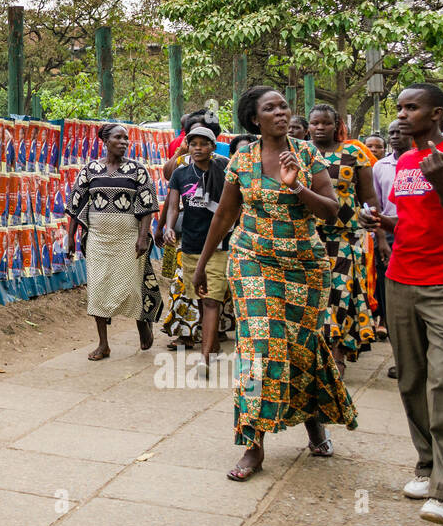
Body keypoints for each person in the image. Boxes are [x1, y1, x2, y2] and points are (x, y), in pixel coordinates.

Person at [192, 86, 357, 482]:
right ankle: (253, 445)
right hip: (253, 263)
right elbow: (225, 215)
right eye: (271, 108)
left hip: (305, 267)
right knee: (259, 348)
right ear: (255, 119)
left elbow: (332, 212)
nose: (281, 112)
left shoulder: (307, 154)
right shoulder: (242, 159)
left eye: (284, 106)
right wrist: (202, 264)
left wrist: (296, 186)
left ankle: (313, 422)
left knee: (302, 349)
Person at [360, 83, 443, 526]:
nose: (401, 115)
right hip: (400, 279)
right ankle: (426, 464)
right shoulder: (407, 161)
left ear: (437, 114)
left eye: (411, 107)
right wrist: (382, 220)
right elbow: (414, 219)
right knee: (411, 378)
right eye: (399, 107)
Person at [66, 123, 162, 362]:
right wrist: (70, 236)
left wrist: (142, 237)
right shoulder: (90, 170)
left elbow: (148, 204)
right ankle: (103, 344)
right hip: (98, 238)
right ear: (105, 141)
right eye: (118, 138)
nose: (124, 142)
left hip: (128, 238)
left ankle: (142, 324)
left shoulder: (137, 170)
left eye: (126, 139)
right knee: (98, 289)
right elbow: (76, 204)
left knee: (131, 287)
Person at [306, 103, 378, 372]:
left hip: (344, 236)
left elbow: (369, 198)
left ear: (337, 125)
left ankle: (337, 354)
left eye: (326, 123)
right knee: (315, 295)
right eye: (315, 123)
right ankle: (314, 352)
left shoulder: (353, 153)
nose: (320, 128)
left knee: (340, 294)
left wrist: (375, 229)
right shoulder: (301, 153)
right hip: (310, 235)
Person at [160, 124, 229, 369]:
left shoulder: (224, 169)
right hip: (190, 243)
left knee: (212, 300)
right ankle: (213, 344)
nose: (198, 148)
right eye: (193, 144)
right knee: (200, 296)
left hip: (220, 245)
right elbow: (172, 205)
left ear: (212, 147)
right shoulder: (180, 173)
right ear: (187, 146)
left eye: (203, 144)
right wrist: (168, 227)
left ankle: (206, 355)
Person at [371, 120, 413, 376]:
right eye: (392, 132)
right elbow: (374, 205)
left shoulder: (423, 162)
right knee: (391, 298)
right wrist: (381, 239)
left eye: (401, 131)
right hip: (389, 234)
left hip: (417, 233)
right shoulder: (380, 166)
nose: (396, 136)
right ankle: (401, 358)